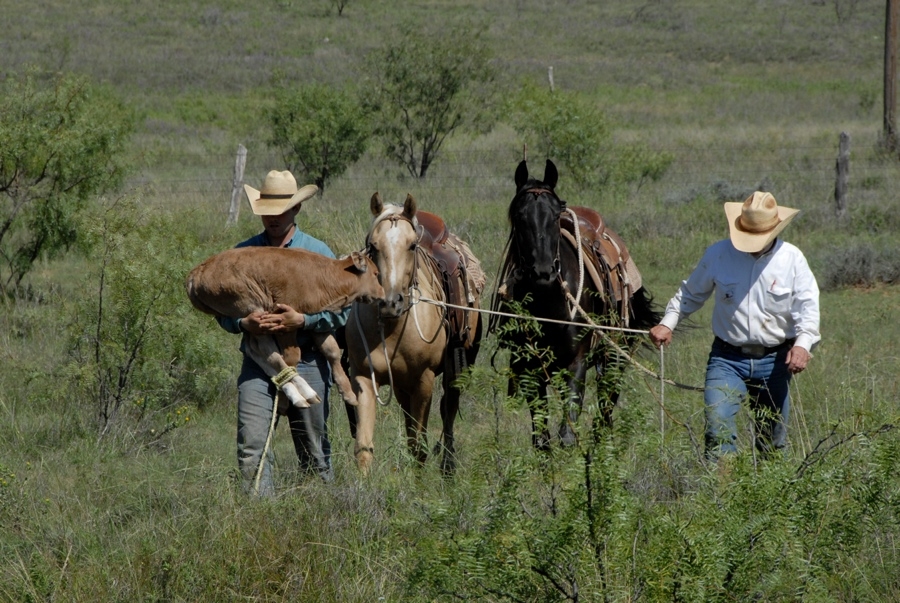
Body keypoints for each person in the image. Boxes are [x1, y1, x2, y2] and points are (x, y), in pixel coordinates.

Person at [649, 191, 820, 458]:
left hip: (775, 360)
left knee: (773, 441)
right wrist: (667, 323)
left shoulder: (792, 259)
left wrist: (802, 345)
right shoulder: (718, 254)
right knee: (717, 430)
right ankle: (721, 495)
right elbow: (690, 293)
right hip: (727, 358)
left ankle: (769, 496)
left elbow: (808, 309)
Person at [217, 170, 348, 493]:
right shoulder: (242, 255)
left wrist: (304, 322)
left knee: (314, 449)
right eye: (266, 212)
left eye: (280, 211)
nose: (272, 218)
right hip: (260, 360)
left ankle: (319, 515)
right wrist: (242, 324)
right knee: (252, 447)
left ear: (296, 210)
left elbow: (342, 311)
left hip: (308, 359)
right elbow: (222, 307)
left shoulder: (318, 253)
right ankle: (260, 521)